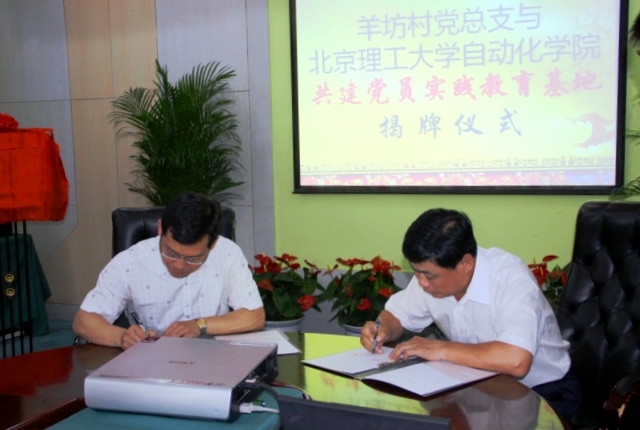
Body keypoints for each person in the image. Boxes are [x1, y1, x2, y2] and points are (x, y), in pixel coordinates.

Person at [360, 208, 581, 422]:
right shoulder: (428, 279)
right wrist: (382, 328)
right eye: (416, 272)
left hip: (544, 392)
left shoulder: (511, 280)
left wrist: (441, 349)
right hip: (479, 387)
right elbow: (395, 315)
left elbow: (516, 360)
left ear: (465, 263)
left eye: (428, 275)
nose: (421, 282)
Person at [73, 192, 265, 350]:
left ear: (213, 243)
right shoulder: (129, 262)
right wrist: (123, 337)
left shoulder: (228, 253)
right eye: (170, 253)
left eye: (193, 258)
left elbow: (254, 316)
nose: (179, 265)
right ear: (160, 228)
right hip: (151, 361)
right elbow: (83, 321)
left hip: (213, 358)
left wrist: (199, 325)